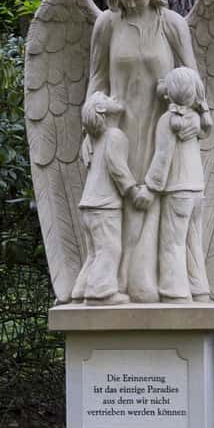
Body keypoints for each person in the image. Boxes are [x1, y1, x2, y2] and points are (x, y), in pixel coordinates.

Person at [85, 0, 211, 301]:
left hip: (162, 128)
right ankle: (114, 285)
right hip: (119, 130)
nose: (130, 3)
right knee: (119, 213)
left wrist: (197, 119)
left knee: (157, 209)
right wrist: (90, 118)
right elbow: (96, 79)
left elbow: (193, 82)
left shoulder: (171, 25)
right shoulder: (107, 25)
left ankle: (156, 286)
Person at [71, 92, 151, 304]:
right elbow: (118, 170)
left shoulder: (94, 139)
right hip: (104, 205)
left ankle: (80, 290)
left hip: (89, 204)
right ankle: (101, 293)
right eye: (106, 98)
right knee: (109, 249)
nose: (113, 97)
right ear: (101, 110)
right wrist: (134, 192)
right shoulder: (114, 135)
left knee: (94, 253)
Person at [144, 67, 212, 302]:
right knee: (194, 242)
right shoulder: (195, 119)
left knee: (172, 244)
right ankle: (200, 289)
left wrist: (150, 188)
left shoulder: (169, 120)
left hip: (177, 189)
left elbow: (162, 159)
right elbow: (206, 127)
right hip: (197, 189)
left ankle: (175, 293)